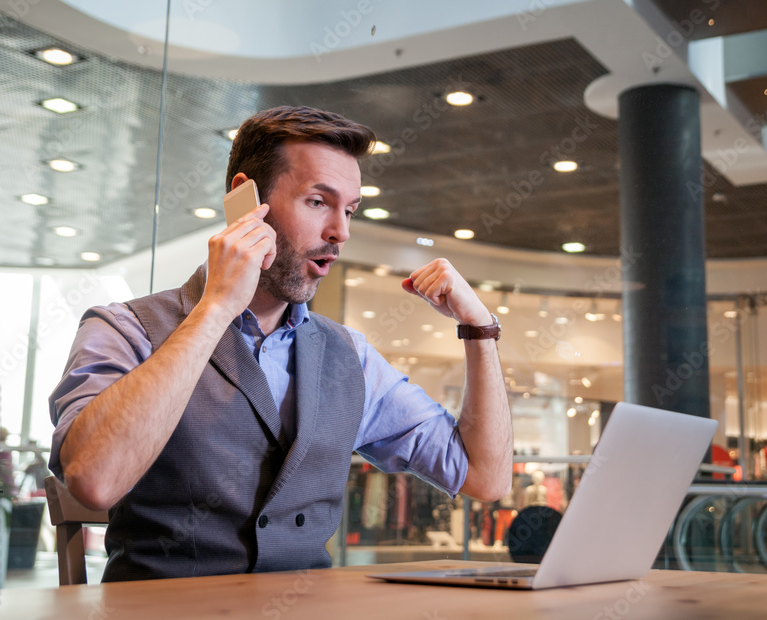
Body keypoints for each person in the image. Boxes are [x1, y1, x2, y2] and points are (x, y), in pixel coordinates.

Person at [49, 106, 512, 582]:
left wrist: (479, 331)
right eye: (318, 202)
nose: (341, 232)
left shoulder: (349, 355)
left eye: (349, 210)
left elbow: (485, 476)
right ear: (245, 200)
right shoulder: (124, 328)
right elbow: (94, 480)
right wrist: (215, 310)